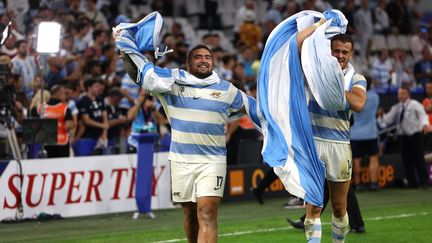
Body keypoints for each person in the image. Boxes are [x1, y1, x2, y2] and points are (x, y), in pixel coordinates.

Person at [118, 43, 255, 243]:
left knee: (207, 211)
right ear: (188, 63)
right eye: (198, 57)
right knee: (190, 213)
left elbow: (257, 110)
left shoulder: (227, 90)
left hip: (213, 161)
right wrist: (124, 50)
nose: (204, 60)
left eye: (208, 57)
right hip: (181, 160)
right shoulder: (170, 82)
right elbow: (140, 77)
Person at [297, 20, 367, 242]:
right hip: (313, 142)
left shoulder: (356, 78)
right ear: (329, 51)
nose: (340, 55)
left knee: (339, 207)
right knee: (314, 206)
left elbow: (358, 103)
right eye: (336, 50)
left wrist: (328, 91)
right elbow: (298, 43)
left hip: (339, 145)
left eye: (344, 52)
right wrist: (319, 26)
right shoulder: (313, 71)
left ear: (351, 54)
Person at [378, 86, 430, 188]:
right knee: (407, 160)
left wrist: (425, 124)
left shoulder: (415, 104)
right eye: (399, 94)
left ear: (408, 94)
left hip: (416, 135)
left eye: (403, 93)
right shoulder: (397, 107)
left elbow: (423, 115)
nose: (401, 96)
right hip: (403, 137)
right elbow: (387, 120)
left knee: (419, 159)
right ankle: (412, 183)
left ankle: (424, 182)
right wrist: (381, 115)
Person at [350, 78, 380, 191]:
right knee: (373, 159)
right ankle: (374, 183)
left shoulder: (353, 96)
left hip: (355, 134)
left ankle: (357, 184)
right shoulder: (375, 97)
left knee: (356, 159)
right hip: (371, 134)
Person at [39, 85, 74, 158]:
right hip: (61, 142)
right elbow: (69, 125)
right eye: (64, 94)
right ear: (59, 94)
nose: (65, 96)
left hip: (46, 142)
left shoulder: (41, 108)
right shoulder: (64, 108)